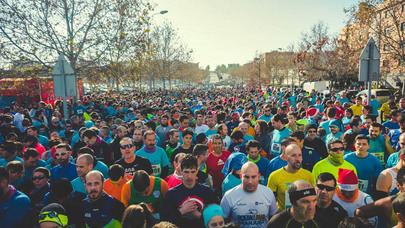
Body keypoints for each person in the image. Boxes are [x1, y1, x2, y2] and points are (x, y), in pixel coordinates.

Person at [161, 154, 217, 228]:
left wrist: (199, 215)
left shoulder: (207, 192)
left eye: (192, 172)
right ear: (181, 171)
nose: (189, 176)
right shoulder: (171, 194)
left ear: (197, 171)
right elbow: (165, 222)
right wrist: (181, 211)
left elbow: (215, 219)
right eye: (186, 172)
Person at [221, 162, 278, 228]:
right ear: (241, 176)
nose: (250, 181)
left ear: (259, 177)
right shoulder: (229, 196)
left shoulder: (268, 193)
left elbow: (274, 218)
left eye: (253, 177)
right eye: (246, 177)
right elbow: (223, 221)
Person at [267, 144, 314, 211]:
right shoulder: (274, 176)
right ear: (286, 157)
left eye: (300, 155)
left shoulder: (308, 175)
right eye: (293, 155)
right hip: (283, 217)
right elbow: (270, 201)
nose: (298, 159)